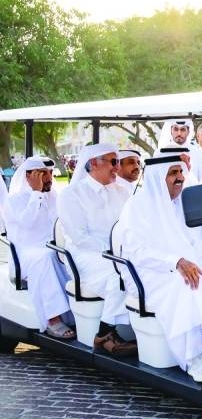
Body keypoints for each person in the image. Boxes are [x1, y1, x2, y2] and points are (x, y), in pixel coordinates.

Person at [117, 152, 202, 382]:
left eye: (181, 171)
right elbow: (137, 252)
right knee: (186, 284)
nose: (180, 177)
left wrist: (193, 262)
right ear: (158, 178)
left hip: (186, 265)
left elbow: (195, 242)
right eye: (173, 173)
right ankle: (194, 357)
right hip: (149, 273)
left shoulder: (181, 202)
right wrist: (176, 262)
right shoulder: (137, 205)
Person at [57, 143, 135, 353]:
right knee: (120, 273)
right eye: (113, 162)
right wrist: (113, 251)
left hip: (118, 252)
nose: (117, 167)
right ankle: (105, 333)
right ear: (93, 164)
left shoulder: (123, 191)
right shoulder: (71, 194)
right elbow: (79, 237)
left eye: (118, 162)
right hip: (85, 255)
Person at [2, 156, 73, 339]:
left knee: (70, 254)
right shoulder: (14, 200)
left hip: (53, 246)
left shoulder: (54, 195)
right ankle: (53, 319)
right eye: (42, 174)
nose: (49, 178)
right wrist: (36, 192)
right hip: (26, 253)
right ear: (29, 176)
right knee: (46, 257)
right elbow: (28, 222)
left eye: (50, 173)